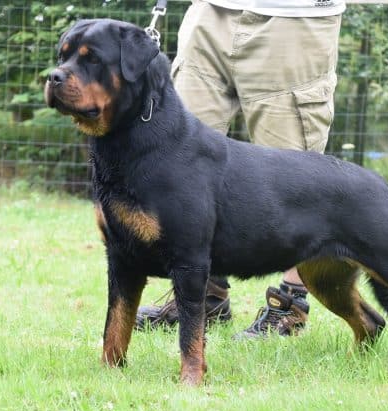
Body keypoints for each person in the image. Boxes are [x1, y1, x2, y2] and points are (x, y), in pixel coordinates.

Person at [135, 0, 345, 337]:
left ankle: (289, 304)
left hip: (292, 17)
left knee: (293, 180)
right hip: (210, 12)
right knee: (178, 164)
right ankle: (203, 294)